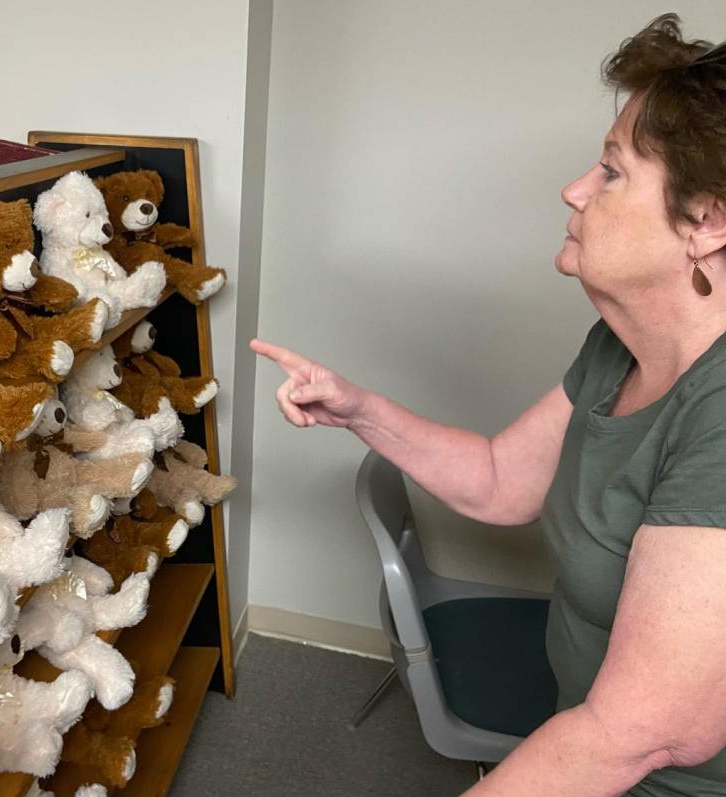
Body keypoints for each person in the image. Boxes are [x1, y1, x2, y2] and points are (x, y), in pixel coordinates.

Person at [253, 14, 726, 797]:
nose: (574, 189)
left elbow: (639, 733)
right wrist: (358, 407)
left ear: (706, 222)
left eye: (611, 172)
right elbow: (503, 479)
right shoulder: (619, 348)